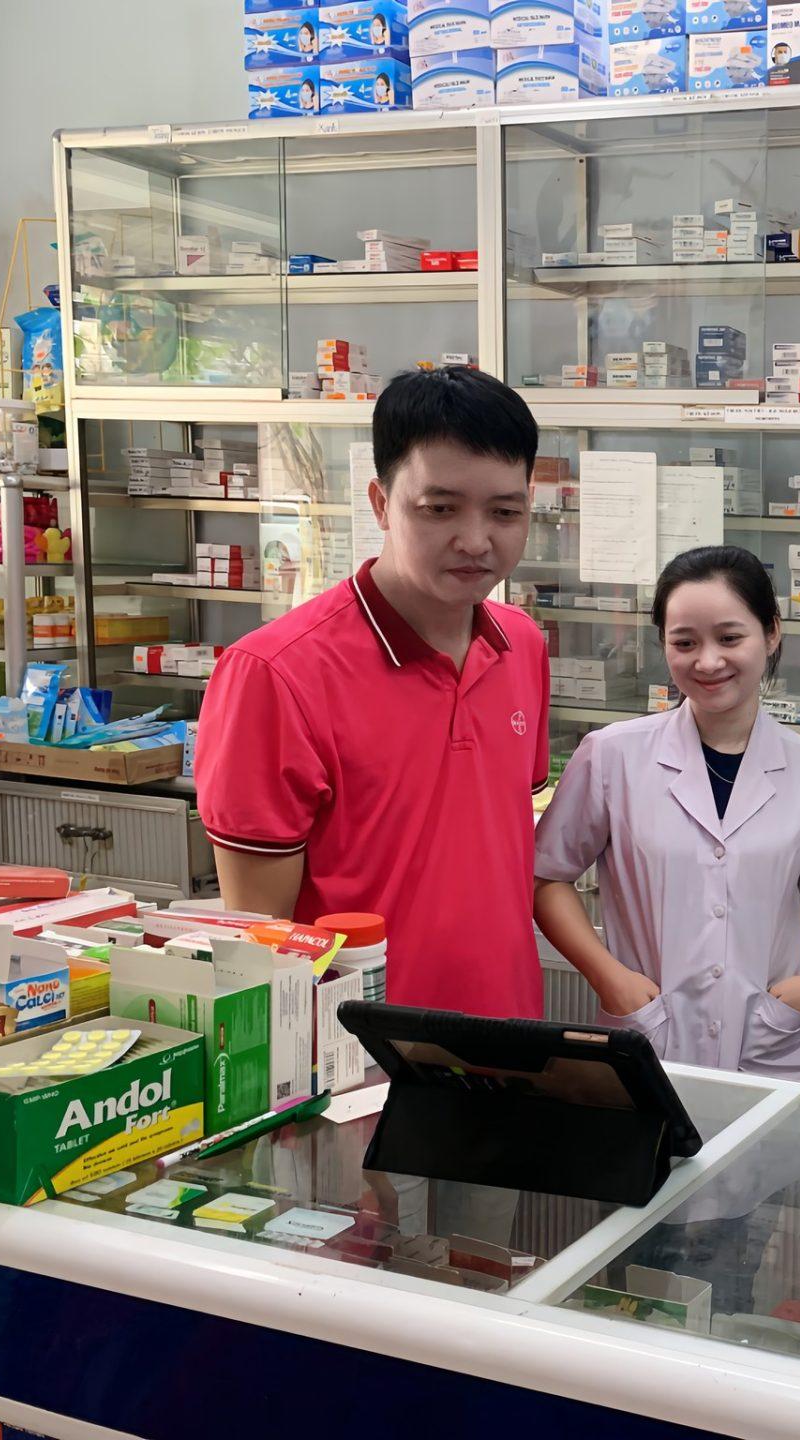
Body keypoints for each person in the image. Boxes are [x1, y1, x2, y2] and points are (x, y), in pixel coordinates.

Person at [197, 366, 549, 1022]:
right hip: (356, 1054)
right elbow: (260, 944)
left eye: (505, 512)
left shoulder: (522, 646)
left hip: (509, 1034)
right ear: (381, 503)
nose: (476, 540)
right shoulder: (274, 674)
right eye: (440, 508)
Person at [532, 546, 800, 1083]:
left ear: (771, 634)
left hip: (774, 1043)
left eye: (729, 638)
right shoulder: (612, 755)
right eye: (684, 643)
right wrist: (609, 977)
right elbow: (548, 877)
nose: (707, 662)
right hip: (652, 1036)